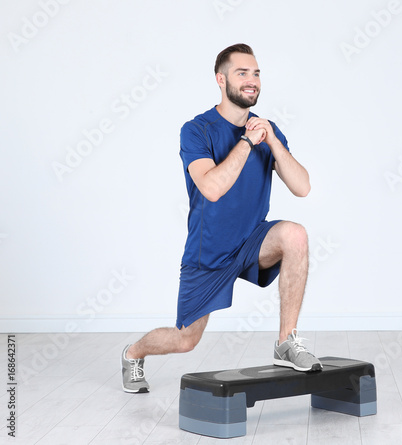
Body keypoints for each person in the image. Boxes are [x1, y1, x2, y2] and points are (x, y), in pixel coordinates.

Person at [121, 43, 322, 393]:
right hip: (209, 252)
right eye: (242, 73)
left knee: (296, 235)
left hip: (252, 241)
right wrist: (247, 142)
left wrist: (273, 142)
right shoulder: (196, 130)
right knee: (185, 340)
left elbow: (302, 187)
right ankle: (133, 353)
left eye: (256, 73)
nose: (252, 80)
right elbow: (212, 188)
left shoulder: (267, 130)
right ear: (221, 79)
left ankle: (286, 342)